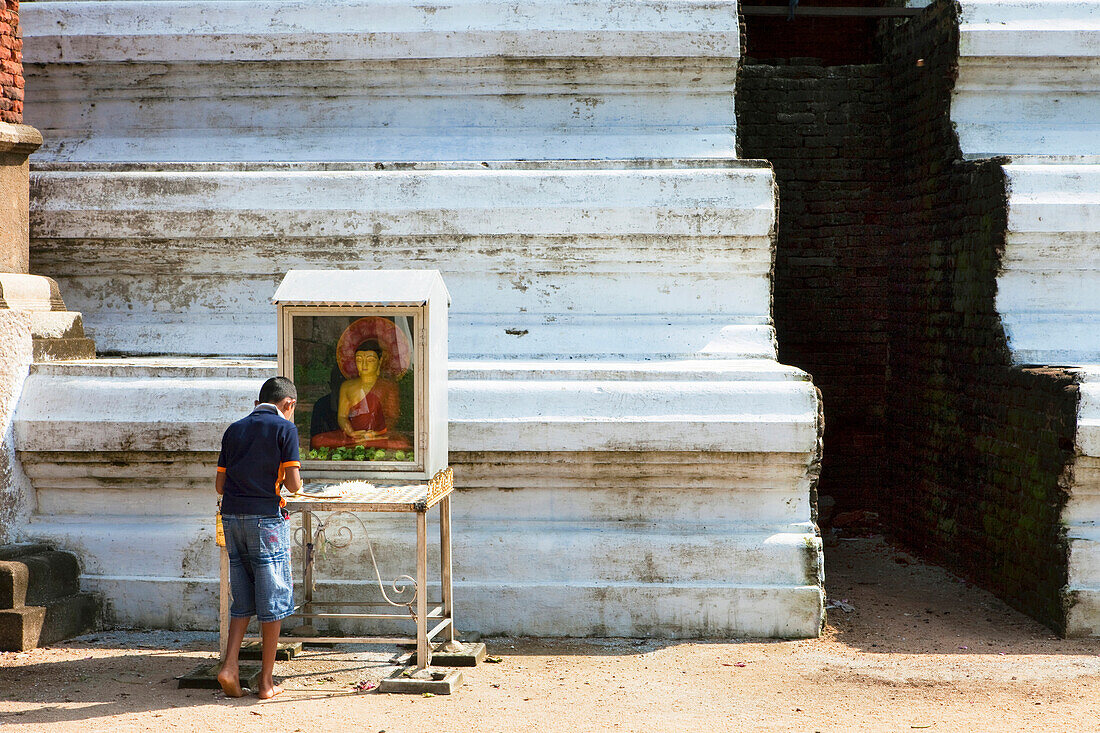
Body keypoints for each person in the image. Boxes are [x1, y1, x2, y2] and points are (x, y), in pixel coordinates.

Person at [215, 376, 302, 699]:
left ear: (257, 404)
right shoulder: (285, 429)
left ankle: (230, 666)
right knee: (273, 600)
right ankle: (266, 681)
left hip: (232, 518)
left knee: (244, 598)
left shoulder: (234, 429)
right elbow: (293, 485)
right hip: (266, 520)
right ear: (288, 405)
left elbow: (220, 487)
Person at [309, 339, 410, 450]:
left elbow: (391, 418)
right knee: (317, 440)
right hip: (352, 437)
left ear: (380, 361)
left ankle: (363, 443)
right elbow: (342, 417)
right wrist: (352, 433)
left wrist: (373, 434)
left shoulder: (388, 387)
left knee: (402, 443)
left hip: (376, 437)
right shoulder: (347, 386)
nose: (364, 364)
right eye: (359, 360)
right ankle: (357, 443)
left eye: (370, 360)